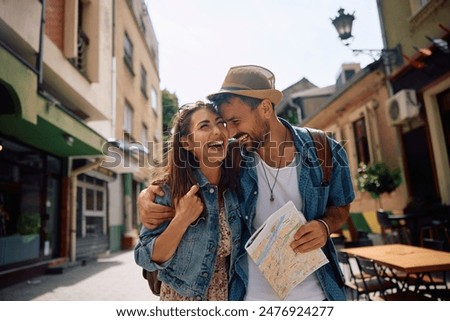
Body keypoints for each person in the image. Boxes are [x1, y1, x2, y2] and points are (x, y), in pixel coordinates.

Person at [139, 65, 355, 300]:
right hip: (250, 296)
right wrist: (149, 194)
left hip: (317, 294)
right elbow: (188, 166)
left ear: (264, 108)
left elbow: (341, 206)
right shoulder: (232, 155)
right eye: (225, 123)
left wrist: (325, 227)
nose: (229, 132)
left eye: (235, 121)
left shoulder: (323, 149)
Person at [134, 101, 245, 301]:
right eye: (205, 126)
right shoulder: (168, 190)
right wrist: (181, 220)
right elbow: (144, 257)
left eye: (220, 123)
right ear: (187, 143)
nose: (217, 131)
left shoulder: (237, 185)